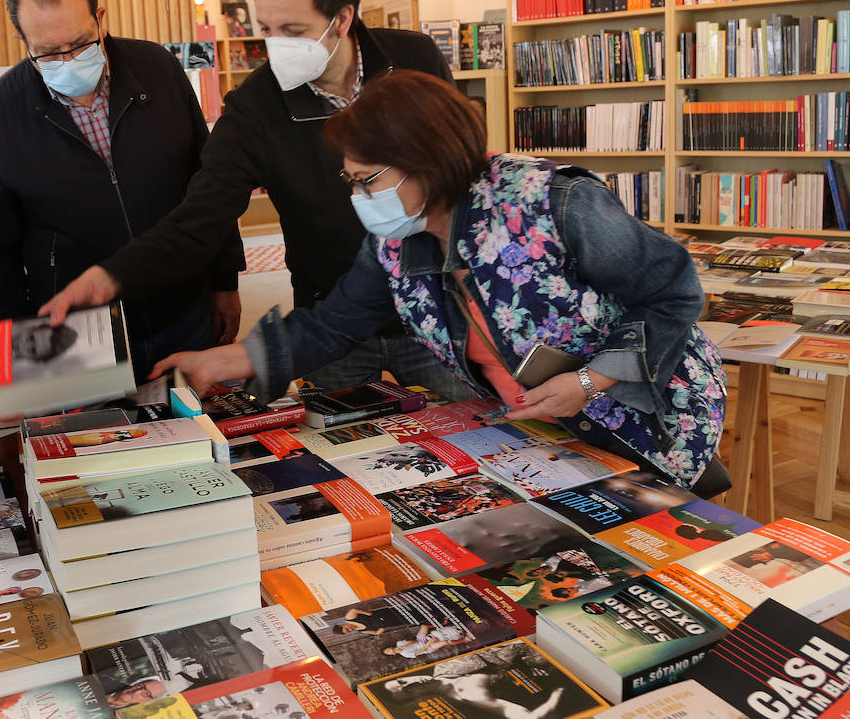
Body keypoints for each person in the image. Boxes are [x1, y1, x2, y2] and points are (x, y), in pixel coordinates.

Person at [153, 71, 728, 492]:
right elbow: (333, 324)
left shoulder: (552, 201)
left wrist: (592, 378)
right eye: (350, 182)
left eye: (366, 181)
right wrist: (222, 362)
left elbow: (673, 291)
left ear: (424, 160)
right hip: (545, 435)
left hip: (649, 417)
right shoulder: (397, 240)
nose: (357, 198)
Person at [40, 0, 471, 401]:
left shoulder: (416, 58)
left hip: (441, 310)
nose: (276, 46)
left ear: (343, 18)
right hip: (332, 322)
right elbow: (197, 220)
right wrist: (113, 275)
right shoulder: (256, 106)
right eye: (266, 29)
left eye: (294, 31)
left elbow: (459, 171)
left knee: (482, 427)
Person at [0, 0, 243, 377]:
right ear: (23, 41)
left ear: (101, 18)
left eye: (80, 43)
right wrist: (17, 357)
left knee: (198, 434)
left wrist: (226, 281)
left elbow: (208, 186)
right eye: (48, 53)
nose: (68, 60)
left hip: (183, 306)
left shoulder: (159, 70)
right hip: (79, 334)